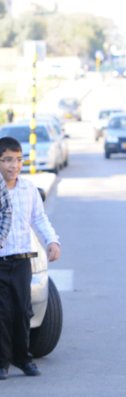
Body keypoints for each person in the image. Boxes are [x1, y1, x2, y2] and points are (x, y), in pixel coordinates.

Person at [0, 136, 61, 380]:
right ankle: (3, 363)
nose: (13, 166)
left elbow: (39, 219)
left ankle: (23, 359)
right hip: (1, 261)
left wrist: (52, 241)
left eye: (17, 160)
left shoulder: (28, 189)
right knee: (3, 313)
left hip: (23, 260)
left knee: (23, 311)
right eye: (6, 160)